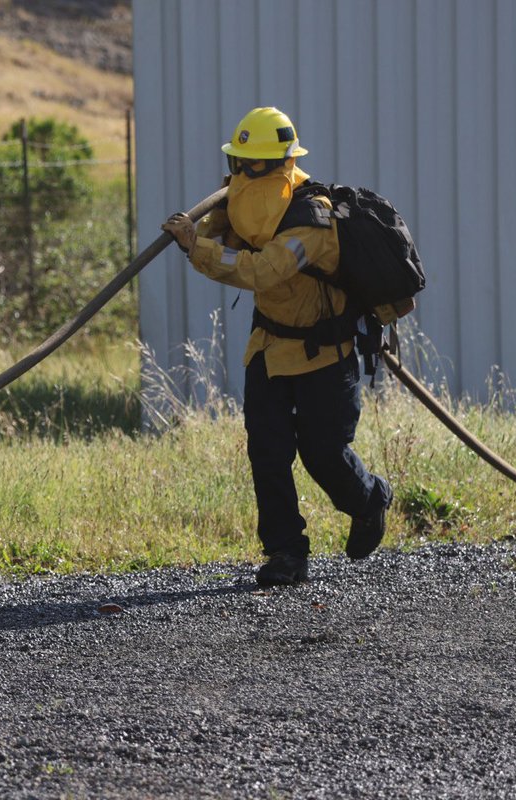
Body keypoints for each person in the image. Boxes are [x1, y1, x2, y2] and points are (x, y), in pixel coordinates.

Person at [161, 107, 393, 587]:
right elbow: (220, 239)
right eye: (238, 161)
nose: (243, 173)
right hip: (269, 348)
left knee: (323, 454)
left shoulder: (313, 216)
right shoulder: (245, 199)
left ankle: (368, 500)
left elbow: (261, 271)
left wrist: (196, 249)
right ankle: (286, 554)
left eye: (253, 163)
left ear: (281, 162)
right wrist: (206, 228)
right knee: (267, 453)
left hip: (324, 356)